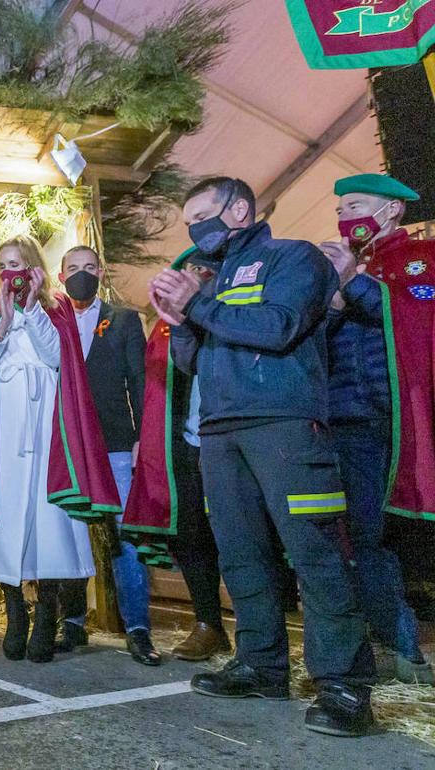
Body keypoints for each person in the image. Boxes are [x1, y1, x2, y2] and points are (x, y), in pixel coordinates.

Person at [150, 177, 375, 737]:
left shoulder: (293, 258)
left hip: (287, 426)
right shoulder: (212, 280)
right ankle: (261, 664)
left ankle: (344, 685)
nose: (196, 228)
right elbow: (190, 364)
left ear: (241, 209)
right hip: (221, 433)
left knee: (314, 551)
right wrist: (181, 322)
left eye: (205, 214)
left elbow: (278, 329)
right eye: (189, 221)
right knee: (242, 554)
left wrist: (197, 304)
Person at [0, 236, 119, 664]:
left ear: (34, 268)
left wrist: (33, 309)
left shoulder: (55, 309)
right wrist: (3, 320)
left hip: (45, 428)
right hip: (3, 427)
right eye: (3, 265)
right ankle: (15, 612)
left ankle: (47, 614)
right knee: (4, 519)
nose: (11, 273)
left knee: (47, 521)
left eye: (18, 264)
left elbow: (58, 357)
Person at [318, 173, 434, 684]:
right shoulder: (337, 271)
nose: (346, 218)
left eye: (357, 206)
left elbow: (414, 317)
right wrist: (332, 298)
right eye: (341, 209)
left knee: (408, 532)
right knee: (365, 536)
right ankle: (399, 647)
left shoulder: (422, 258)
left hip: (405, 418)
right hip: (348, 420)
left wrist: (352, 283)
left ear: (391, 212)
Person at [122, 247, 231, 662]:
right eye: (186, 268)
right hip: (185, 442)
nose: (192, 275)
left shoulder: (230, 313)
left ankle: (261, 634)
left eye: (202, 270)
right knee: (189, 535)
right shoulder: (166, 325)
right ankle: (208, 624)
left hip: (229, 441)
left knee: (240, 538)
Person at [55, 246, 159, 665]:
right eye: (73, 269)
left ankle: (138, 629)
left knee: (124, 539)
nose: (82, 274)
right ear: (60, 277)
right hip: (67, 448)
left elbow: (140, 381)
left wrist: (141, 439)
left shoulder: (124, 320)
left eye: (89, 268)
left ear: (101, 272)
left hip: (116, 443)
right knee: (70, 536)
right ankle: (73, 623)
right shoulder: (52, 321)